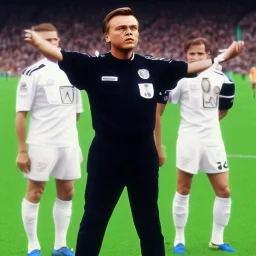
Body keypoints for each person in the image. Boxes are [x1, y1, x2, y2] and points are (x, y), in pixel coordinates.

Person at [23, 8, 244, 256]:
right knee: (94, 221)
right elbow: (62, 55)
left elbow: (189, 67)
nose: (129, 32)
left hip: (143, 154)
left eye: (133, 28)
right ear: (107, 36)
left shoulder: (152, 66)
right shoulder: (94, 66)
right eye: (121, 28)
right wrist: (39, 42)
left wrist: (221, 58)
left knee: (149, 222)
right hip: (106, 154)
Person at [155, 37, 237, 254]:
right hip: (188, 140)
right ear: (186, 56)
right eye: (192, 54)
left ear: (208, 55)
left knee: (224, 190)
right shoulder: (180, 79)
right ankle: (179, 239)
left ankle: (217, 240)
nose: (196, 57)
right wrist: (158, 143)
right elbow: (159, 109)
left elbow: (224, 110)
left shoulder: (224, 80)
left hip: (213, 141)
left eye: (200, 54)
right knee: (183, 189)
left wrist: (205, 125)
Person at [16, 23, 83, 256]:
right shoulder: (32, 73)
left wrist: (68, 136)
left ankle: (60, 246)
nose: (52, 43)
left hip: (68, 144)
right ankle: (33, 246)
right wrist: (22, 150)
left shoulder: (72, 71)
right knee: (35, 191)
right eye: (47, 40)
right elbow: (21, 114)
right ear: (37, 44)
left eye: (55, 39)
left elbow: (77, 110)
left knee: (68, 191)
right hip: (41, 143)